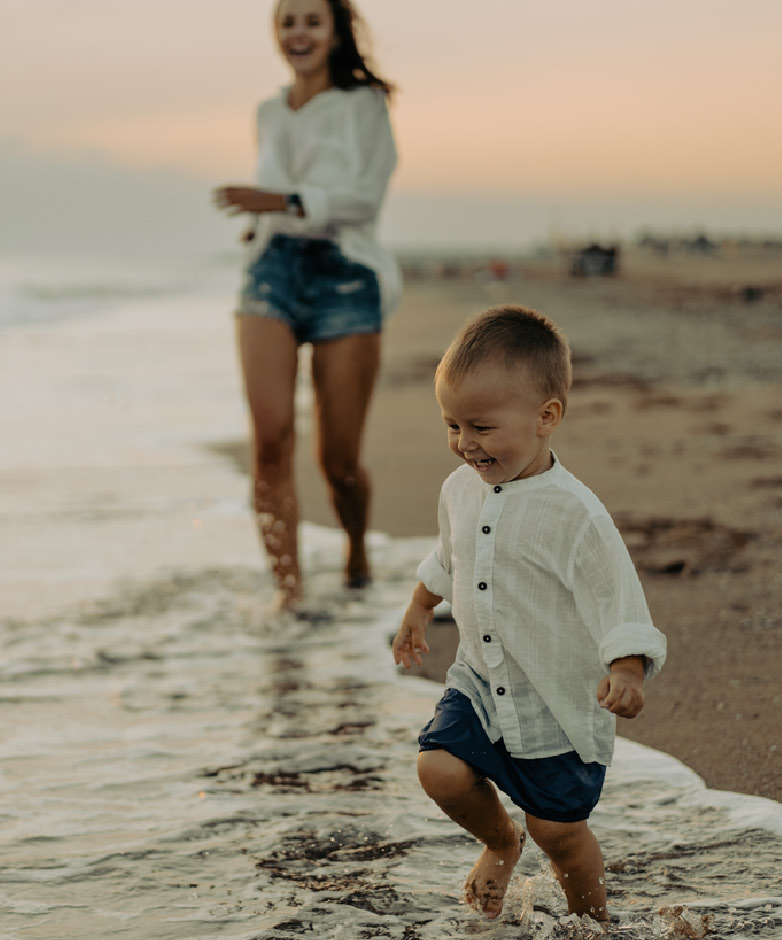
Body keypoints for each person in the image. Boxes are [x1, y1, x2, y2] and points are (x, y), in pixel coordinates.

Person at [392, 305, 668, 923]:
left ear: (547, 417)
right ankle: (498, 841)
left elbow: (617, 597)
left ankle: (591, 926)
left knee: (559, 833)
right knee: (437, 768)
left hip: (557, 702)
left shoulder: (576, 514)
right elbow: (449, 554)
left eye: (482, 427)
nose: (466, 443)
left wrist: (626, 669)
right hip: (481, 679)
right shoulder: (458, 488)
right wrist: (418, 605)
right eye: (452, 425)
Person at [213, 0, 399, 612]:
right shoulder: (267, 110)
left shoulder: (364, 106)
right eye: (287, 22)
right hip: (272, 272)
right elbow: (280, 198)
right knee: (269, 440)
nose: (299, 33)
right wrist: (265, 221)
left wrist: (278, 200)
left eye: (312, 22)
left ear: (335, 32)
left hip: (345, 277)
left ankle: (356, 549)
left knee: (339, 463)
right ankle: (288, 596)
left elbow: (363, 199)